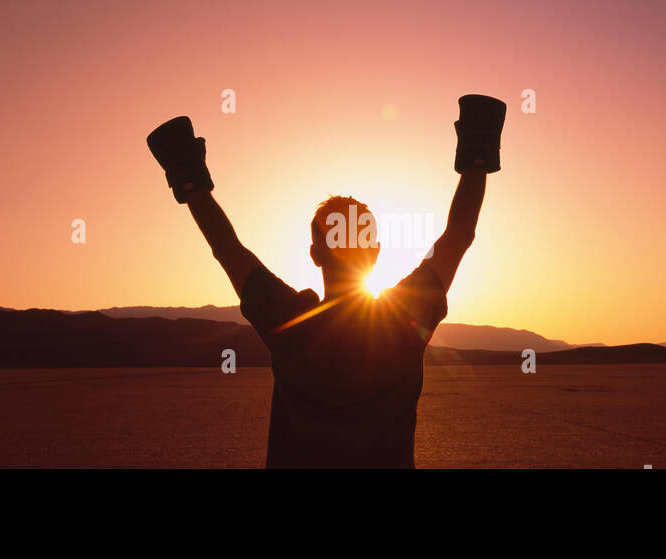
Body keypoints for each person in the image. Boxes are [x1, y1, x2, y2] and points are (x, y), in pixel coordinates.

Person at [147, 95, 506, 468]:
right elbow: (458, 235)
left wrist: (190, 181)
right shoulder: (404, 316)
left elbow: (227, 248)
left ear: (315, 254)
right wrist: (476, 157)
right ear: (375, 253)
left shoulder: (288, 320)